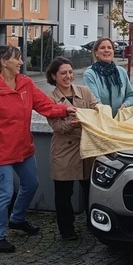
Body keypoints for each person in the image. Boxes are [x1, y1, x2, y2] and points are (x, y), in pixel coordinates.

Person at [0, 45, 76, 253]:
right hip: (1, 151)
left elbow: (44, 105)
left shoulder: (25, 83)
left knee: (31, 184)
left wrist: (65, 109)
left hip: (23, 147)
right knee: (4, 193)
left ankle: (17, 218)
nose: (21, 62)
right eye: (16, 59)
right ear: (3, 62)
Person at [45, 57, 99, 240]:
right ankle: (66, 229)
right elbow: (57, 127)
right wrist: (74, 124)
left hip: (86, 148)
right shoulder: (50, 99)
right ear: (54, 76)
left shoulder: (84, 91)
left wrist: (101, 111)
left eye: (70, 72)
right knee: (63, 193)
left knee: (90, 189)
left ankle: (93, 223)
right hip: (64, 151)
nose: (68, 76)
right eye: (63, 73)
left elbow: (96, 108)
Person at [82, 37, 133, 117]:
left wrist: (125, 105)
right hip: (101, 119)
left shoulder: (121, 72)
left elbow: (130, 96)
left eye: (109, 48)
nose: (106, 50)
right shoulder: (90, 74)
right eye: (102, 48)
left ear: (113, 51)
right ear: (96, 53)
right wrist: (107, 115)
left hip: (122, 119)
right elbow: (94, 101)